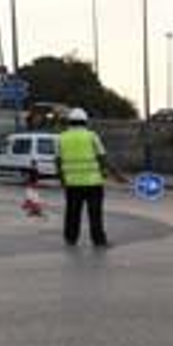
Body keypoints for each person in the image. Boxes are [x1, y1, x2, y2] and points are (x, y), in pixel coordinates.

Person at [54, 107, 123, 249]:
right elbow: (103, 158)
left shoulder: (61, 138)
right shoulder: (92, 136)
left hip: (72, 184)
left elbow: (58, 161)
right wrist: (116, 175)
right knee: (95, 213)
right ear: (85, 121)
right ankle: (98, 240)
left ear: (69, 122)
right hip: (93, 183)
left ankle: (70, 239)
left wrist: (62, 180)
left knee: (72, 213)